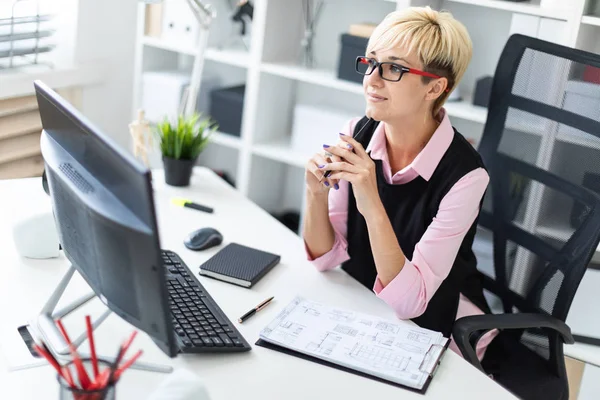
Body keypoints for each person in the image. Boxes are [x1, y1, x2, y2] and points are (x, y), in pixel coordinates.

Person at [302, 6, 497, 360]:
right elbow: (325, 258)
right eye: (371, 62)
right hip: (365, 305)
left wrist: (370, 201)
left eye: (394, 68)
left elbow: (413, 302)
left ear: (435, 87)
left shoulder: (466, 177)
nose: (372, 80)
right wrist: (314, 194)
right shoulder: (357, 134)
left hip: (437, 330)